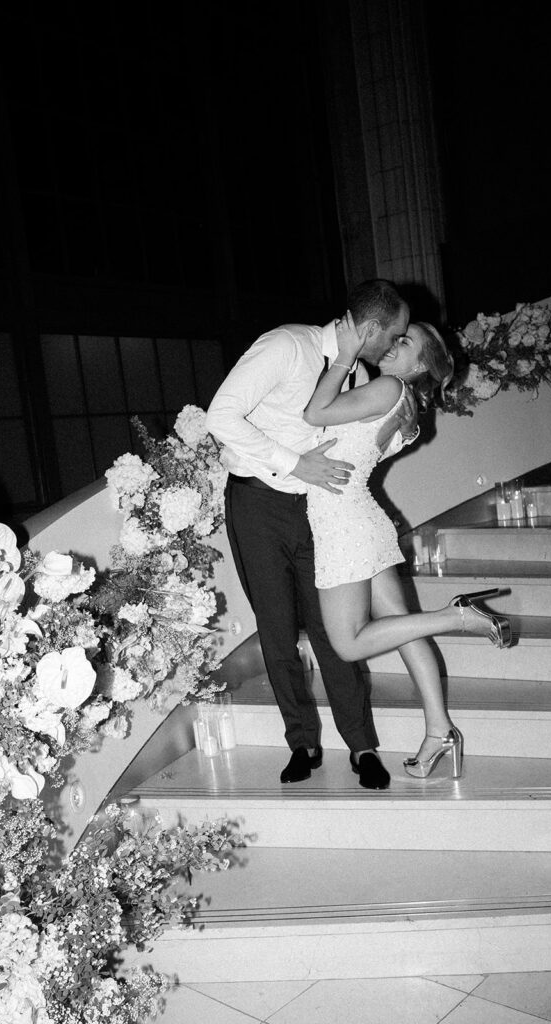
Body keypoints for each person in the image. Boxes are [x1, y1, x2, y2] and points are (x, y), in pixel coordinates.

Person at [205, 280, 417, 791]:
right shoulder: (286, 345)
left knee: (331, 629)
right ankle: (302, 742)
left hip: (321, 510)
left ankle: (361, 745)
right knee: (277, 629)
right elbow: (220, 416)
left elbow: (361, 444)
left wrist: (402, 430)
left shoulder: (358, 373)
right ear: (371, 328)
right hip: (258, 502)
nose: (395, 346)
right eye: (394, 336)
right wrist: (295, 463)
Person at [303, 312, 513, 781]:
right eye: (396, 337)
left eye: (405, 343)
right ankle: (439, 730)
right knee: (403, 628)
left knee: (348, 644)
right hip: (359, 519)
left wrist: (344, 357)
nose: (393, 344)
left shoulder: (388, 388)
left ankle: (458, 616)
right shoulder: (405, 405)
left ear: (420, 365)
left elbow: (314, 414)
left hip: (344, 524)